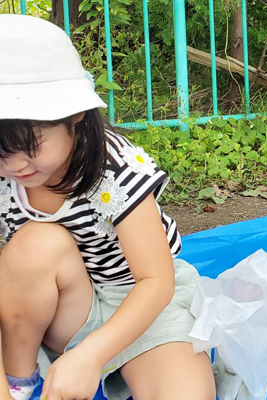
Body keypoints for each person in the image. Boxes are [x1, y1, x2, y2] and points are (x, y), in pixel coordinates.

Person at [0, 15, 215, 400]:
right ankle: (20, 380)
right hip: (63, 307)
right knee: (34, 246)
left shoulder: (115, 169)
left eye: (31, 142)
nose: (15, 166)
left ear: (75, 115)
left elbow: (156, 281)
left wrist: (91, 355)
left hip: (140, 301)